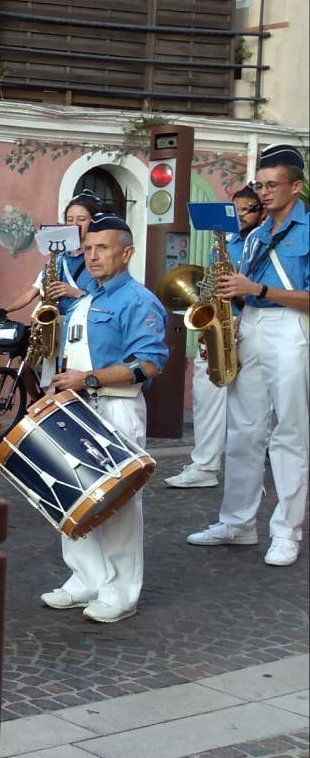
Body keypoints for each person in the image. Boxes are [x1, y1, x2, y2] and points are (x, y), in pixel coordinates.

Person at [41, 212, 168, 623]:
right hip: (78, 406)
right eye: (88, 249)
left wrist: (88, 379)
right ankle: (86, 578)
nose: (92, 256)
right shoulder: (84, 300)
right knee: (73, 494)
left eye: (102, 248)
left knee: (119, 503)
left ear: (126, 253)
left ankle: (121, 592)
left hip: (116, 405)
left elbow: (149, 363)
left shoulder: (138, 301)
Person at [188, 145, 309, 566]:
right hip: (252, 323)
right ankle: (237, 522)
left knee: (290, 433)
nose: (264, 192)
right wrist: (233, 312)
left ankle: (287, 531)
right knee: (242, 430)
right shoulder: (254, 235)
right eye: (260, 185)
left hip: (292, 327)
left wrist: (256, 290)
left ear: (296, 186)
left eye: (273, 185)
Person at [166, 186, 266, 488]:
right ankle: (204, 466)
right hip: (220, 324)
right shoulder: (223, 243)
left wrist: (242, 312)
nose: (240, 215)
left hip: (251, 323)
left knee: (253, 407)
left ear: (261, 211)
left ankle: (251, 468)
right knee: (206, 395)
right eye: (235, 209)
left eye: (246, 209)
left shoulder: (265, 242)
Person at [1, 191, 103, 387]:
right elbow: (32, 292)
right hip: (53, 325)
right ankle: (39, 400)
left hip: (82, 330)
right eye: (70, 220)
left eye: (81, 219)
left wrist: (73, 292)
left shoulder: (97, 258)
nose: (75, 224)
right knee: (29, 368)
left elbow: (105, 298)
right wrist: (5, 310)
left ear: (93, 222)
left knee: (67, 380)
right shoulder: (57, 257)